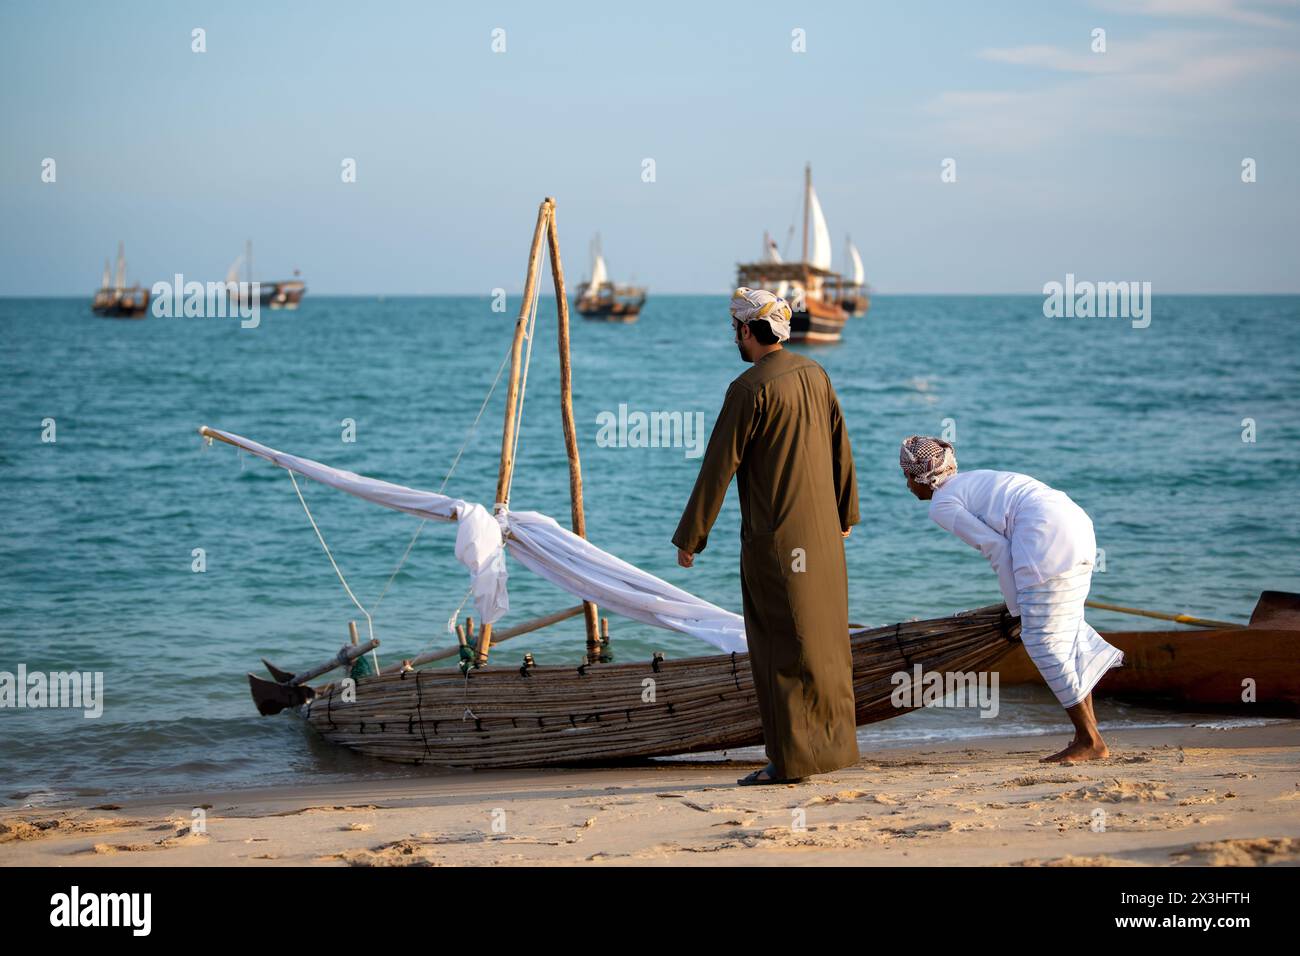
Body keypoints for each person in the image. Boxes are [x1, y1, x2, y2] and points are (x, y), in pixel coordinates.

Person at [673, 288, 860, 786]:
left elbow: (718, 467)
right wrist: (847, 511)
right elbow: (840, 442)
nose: (732, 336)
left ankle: (789, 762)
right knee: (822, 644)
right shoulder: (815, 374)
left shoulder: (748, 389)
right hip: (823, 538)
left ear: (748, 330)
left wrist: (691, 536)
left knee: (778, 648)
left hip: (776, 541)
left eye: (733, 327)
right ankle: (834, 749)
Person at [899, 435, 1123, 762]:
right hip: (1077, 526)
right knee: (1068, 633)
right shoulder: (973, 480)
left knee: (1040, 639)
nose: (906, 484)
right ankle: (1089, 734)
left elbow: (998, 551)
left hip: (1044, 536)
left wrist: (1017, 610)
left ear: (922, 477)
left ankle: (1089, 739)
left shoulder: (942, 503)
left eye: (907, 476)